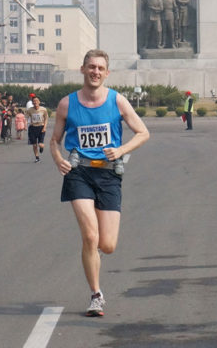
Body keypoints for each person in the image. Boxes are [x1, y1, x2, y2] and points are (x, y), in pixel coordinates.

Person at [49, 49, 150, 317]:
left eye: (100, 68)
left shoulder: (117, 101)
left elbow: (143, 132)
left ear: (106, 73)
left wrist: (121, 150)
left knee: (107, 244)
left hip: (108, 174)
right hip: (78, 172)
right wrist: (58, 158)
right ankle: (96, 295)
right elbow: (54, 141)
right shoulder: (66, 104)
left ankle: (95, 254)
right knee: (90, 236)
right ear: (82, 69)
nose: (95, 71)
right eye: (91, 66)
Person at [26, 96, 49, 162]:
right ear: (32, 102)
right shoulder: (30, 110)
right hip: (33, 128)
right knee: (34, 144)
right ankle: (37, 157)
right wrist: (26, 124)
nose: (35, 102)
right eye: (34, 101)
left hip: (41, 127)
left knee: (40, 144)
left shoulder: (43, 109)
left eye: (36, 101)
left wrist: (45, 127)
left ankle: (41, 147)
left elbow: (46, 118)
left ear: (39, 102)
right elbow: (26, 117)